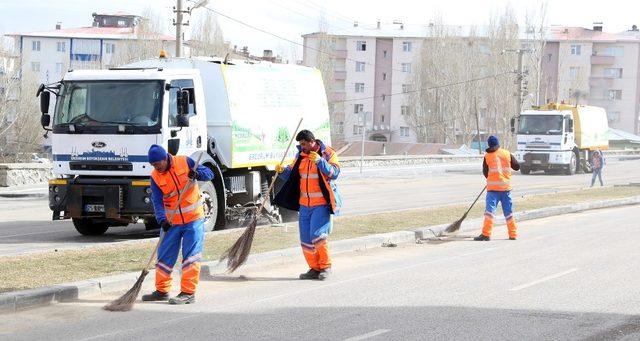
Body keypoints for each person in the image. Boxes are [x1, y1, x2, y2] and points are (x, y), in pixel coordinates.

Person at [141, 145, 213, 305]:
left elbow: (210, 174)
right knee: (164, 257)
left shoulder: (185, 161)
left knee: (191, 257)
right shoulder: (155, 177)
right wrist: (162, 220)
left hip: (193, 219)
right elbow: (157, 201)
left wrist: (197, 173)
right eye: (153, 165)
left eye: (157, 163)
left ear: (165, 158)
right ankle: (162, 291)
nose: (156, 167)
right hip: (171, 222)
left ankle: (188, 293)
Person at [273, 130, 342, 280]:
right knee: (305, 240)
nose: (302, 147)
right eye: (300, 145)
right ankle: (314, 268)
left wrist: (320, 161)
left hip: (321, 204)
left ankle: (326, 267)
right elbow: (291, 175)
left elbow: (335, 173)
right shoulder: (300, 155)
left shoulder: (327, 153)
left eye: (304, 144)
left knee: (317, 236)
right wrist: (282, 171)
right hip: (304, 205)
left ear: (312, 142)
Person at [474, 136, 521, 241]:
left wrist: (492, 178)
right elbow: (517, 166)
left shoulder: (487, 156)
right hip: (506, 189)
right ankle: (513, 234)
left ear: (489, 146)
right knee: (508, 213)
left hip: (493, 190)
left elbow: (485, 173)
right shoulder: (507, 153)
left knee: (489, 212)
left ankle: (486, 234)